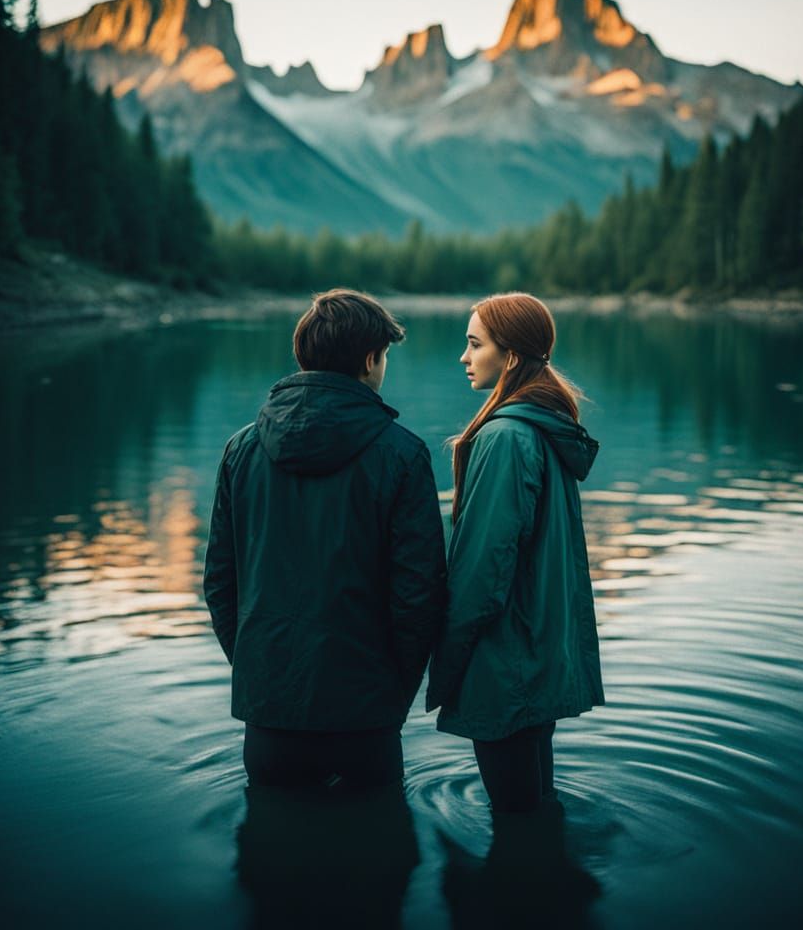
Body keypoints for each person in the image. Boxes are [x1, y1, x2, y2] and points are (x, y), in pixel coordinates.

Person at [203, 288, 447, 789]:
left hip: (267, 714)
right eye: (384, 357)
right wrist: (392, 692)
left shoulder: (240, 450)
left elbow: (219, 584)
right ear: (369, 358)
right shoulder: (402, 455)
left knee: (272, 860)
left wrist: (261, 669)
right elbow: (419, 594)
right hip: (364, 717)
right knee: (375, 859)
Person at [427, 292, 604, 812]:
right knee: (535, 809)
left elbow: (482, 570)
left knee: (515, 819)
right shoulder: (542, 428)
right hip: (539, 651)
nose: (464, 356)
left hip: (505, 662)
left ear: (510, 357)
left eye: (475, 344)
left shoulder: (505, 437)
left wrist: (448, 662)